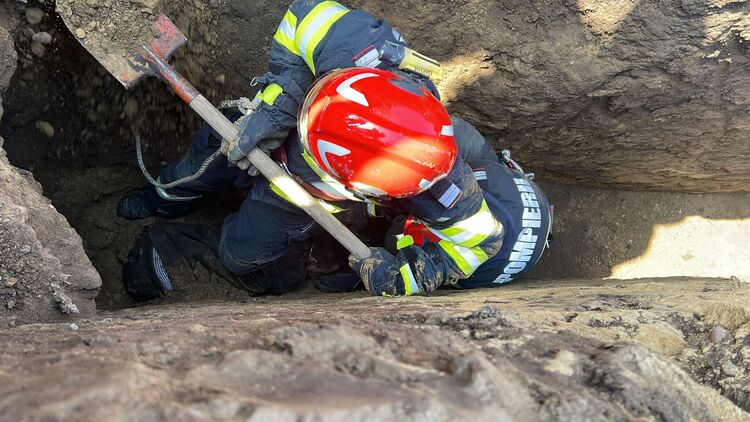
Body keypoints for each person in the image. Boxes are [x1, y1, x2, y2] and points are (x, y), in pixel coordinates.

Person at [117, 0, 553, 301]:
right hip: (268, 125)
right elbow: (305, 15)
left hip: (300, 195)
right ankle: (162, 199)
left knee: (240, 253)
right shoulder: (363, 51)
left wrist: (406, 278)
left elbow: (481, 242)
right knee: (206, 157)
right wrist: (280, 104)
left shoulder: (438, 185)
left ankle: (275, 254)